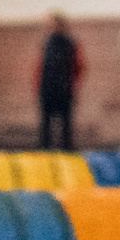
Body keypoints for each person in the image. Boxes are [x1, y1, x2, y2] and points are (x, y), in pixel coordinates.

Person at [36, 10, 83, 151]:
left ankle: (67, 150)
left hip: (64, 88)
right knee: (45, 123)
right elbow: (40, 66)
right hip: (47, 88)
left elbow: (79, 67)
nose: (49, 27)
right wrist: (38, 86)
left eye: (52, 24)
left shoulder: (71, 44)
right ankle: (44, 149)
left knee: (66, 123)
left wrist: (73, 85)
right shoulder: (47, 43)